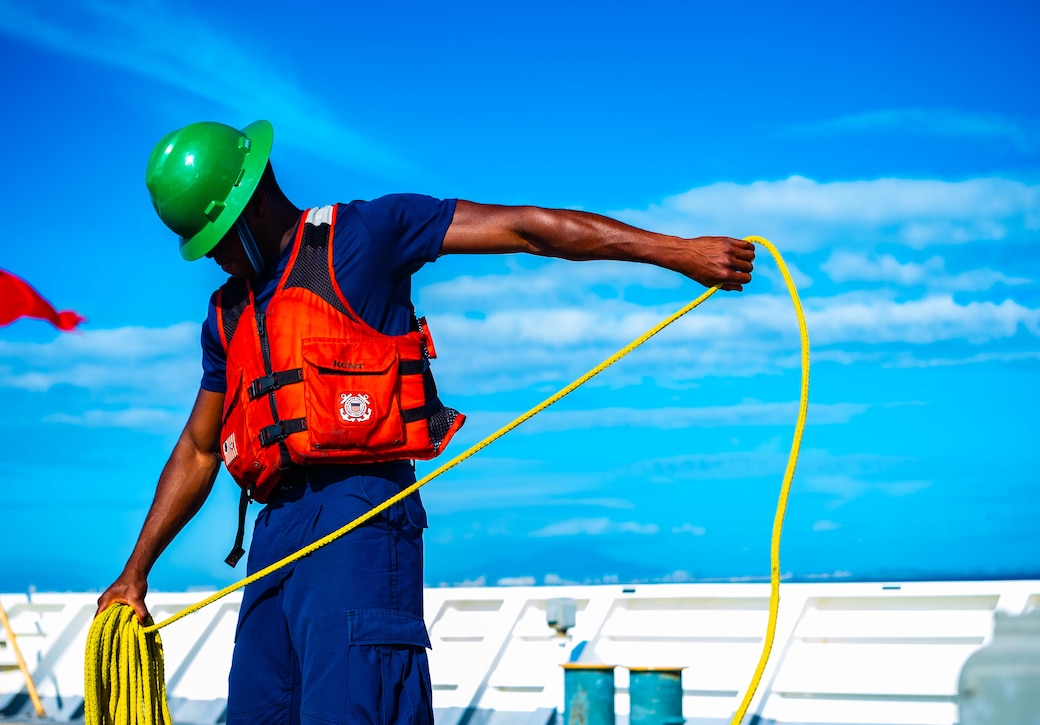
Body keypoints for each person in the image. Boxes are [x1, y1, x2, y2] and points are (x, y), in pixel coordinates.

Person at [96, 120, 755, 724]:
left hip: (359, 519)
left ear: (255, 201)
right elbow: (200, 448)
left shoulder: (364, 235)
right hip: (274, 538)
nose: (212, 257)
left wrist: (678, 252)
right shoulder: (226, 314)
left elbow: (529, 226)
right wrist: (135, 571)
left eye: (217, 240)